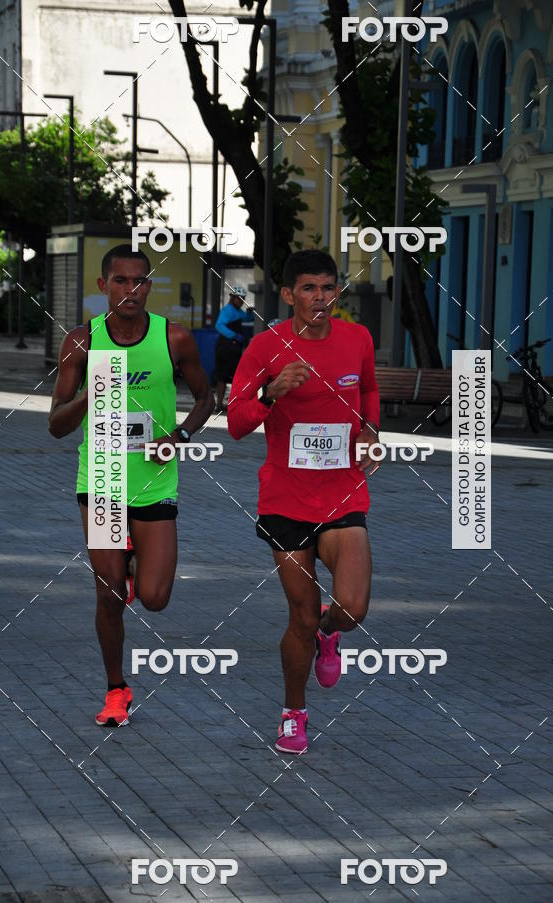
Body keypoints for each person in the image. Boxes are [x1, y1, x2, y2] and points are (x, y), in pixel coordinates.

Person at [48, 244, 214, 727]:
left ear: (149, 286)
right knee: (108, 595)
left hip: (155, 479)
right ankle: (117, 689)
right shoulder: (82, 342)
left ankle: (136, 564)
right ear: (103, 287)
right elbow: (56, 425)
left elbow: (206, 398)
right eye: (120, 280)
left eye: (140, 281)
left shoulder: (174, 338)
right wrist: (90, 393)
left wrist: (180, 435)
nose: (131, 289)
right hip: (100, 479)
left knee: (156, 597)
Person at [227, 249, 380, 754]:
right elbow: (236, 423)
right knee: (302, 618)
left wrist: (371, 436)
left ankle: (331, 634)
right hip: (286, 501)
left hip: (343, 493)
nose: (320, 298)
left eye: (328, 288)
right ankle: (294, 712)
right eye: (309, 289)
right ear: (289, 295)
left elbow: (370, 394)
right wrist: (271, 392)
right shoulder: (266, 347)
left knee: (352, 607)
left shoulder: (357, 338)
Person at [213, 284, 254, 413]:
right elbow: (219, 325)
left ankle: (230, 403)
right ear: (232, 297)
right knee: (222, 376)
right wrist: (234, 335)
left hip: (235, 348)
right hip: (225, 347)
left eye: (243, 298)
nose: (240, 301)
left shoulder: (239, 312)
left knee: (234, 376)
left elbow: (245, 318)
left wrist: (250, 313)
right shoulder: (227, 310)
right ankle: (219, 404)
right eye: (238, 298)